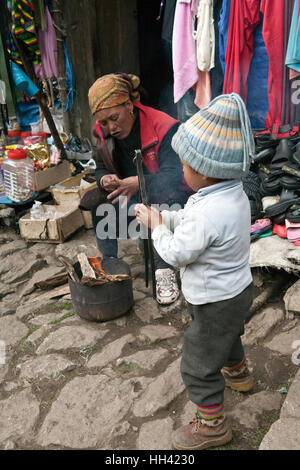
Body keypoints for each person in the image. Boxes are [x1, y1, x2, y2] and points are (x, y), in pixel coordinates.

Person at [135, 93, 255, 450]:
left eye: (185, 164)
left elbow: (176, 251)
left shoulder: (206, 211)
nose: (181, 170)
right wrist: (166, 217)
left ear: (201, 170)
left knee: (199, 360)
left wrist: (158, 227)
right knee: (226, 334)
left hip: (214, 297)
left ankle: (212, 425)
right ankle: (239, 375)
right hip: (236, 292)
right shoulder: (231, 194)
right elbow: (191, 224)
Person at [83, 72, 192, 305]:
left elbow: (175, 176)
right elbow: (100, 167)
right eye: (103, 122)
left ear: (129, 105)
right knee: (98, 203)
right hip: (131, 196)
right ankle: (109, 263)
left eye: (114, 117)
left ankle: (164, 268)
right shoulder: (101, 132)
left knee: (158, 205)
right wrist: (105, 180)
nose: (110, 127)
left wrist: (138, 182)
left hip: (172, 197)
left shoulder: (164, 127)